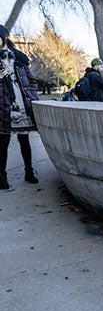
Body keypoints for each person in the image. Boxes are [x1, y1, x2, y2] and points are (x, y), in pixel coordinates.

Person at [0, 24, 39, 189]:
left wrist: (32, 97)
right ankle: (2, 176)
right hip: (3, 102)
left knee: (24, 138)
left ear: (3, 37)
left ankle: (29, 171)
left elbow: (31, 80)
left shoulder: (19, 57)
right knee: (3, 141)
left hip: (21, 100)